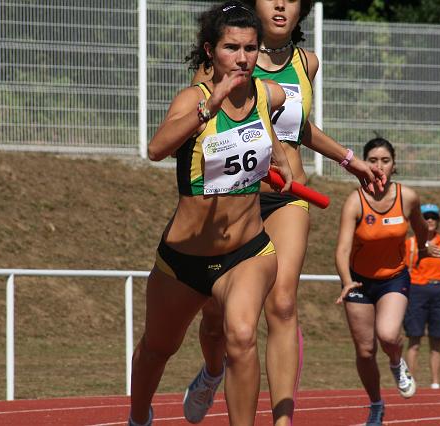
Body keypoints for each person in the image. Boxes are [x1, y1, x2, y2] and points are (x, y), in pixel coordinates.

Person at [184, 1, 385, 425]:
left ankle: (282, 419)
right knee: (217, 317)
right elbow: (198, 125)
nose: (280, 4)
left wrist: (350, 159)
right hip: (234, 198)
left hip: (288, 193)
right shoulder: (223, 58)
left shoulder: (306, 62)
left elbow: (298, 125)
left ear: (302, 10)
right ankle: (213, 371)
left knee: (282, 302)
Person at [127, 3, 294, 425]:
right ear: (211, 51)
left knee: (240, 335)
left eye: (251, 48)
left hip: (247, 251)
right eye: (231, 47)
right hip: (184, 260)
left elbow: (286, 132)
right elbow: (155, 149)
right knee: (157, 348)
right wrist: (212, 104)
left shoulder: (267, 94)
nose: (242, 58)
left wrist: (283, 162)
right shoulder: (193, 99)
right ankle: (138, 417)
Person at [334, 137, 440, 426]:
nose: (378, 166)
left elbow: (421, 228)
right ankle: (376, 404)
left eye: (385, 160)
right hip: (358, 282)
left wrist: (422, 249)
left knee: (387, 335)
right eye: (372, 160)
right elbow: (343, 248)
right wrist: (346, 280)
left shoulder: (407, 197)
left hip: (394, 279)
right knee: (365, 350)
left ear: (394, 166)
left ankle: (397, 363)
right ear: (363, 164)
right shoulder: (355, 201)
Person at [403, 203, 440, 390]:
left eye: (434, 217)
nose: (430, 220)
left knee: (436, 340)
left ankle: (435, 383)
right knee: (414, 339)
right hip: (416, 290)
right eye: (426, 217)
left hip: (439, 291)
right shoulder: (410, 243)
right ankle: (409, 382)